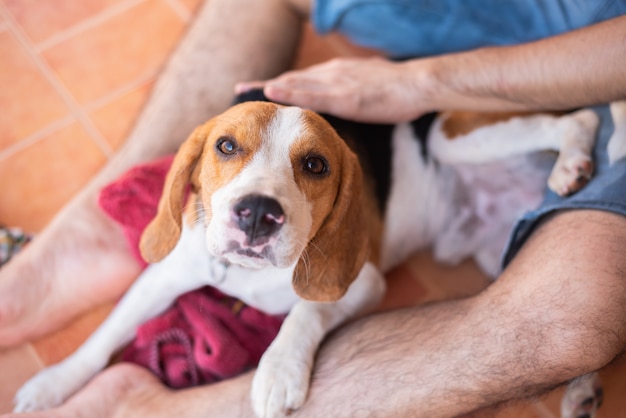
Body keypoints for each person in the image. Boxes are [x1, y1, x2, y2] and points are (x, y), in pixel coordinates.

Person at [3, 0, 626, 416]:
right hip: (508, 35)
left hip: (520, 113)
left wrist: (296, 338)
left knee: (552, 298)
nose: (257, 200)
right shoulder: (201, 216)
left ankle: (565, 131)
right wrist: (75, 367)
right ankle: (87, 240)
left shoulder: (339, 217)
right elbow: (162, 278)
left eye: (312, 167)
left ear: (337, 196)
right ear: (189, 176)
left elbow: (361, 283)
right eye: (228, 150)